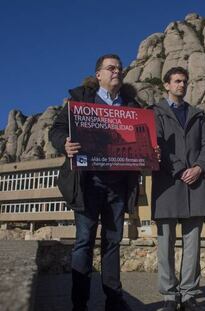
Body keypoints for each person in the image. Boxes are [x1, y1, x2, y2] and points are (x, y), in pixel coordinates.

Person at [49, 54, 140, 311]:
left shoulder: (132, 106)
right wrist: (64, 143)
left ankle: (114, 300)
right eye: (111, 68)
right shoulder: (80, 100)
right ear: (98, 74)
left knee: (112, 243)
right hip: (88, 182)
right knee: (84, 242)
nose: (117, 72)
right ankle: (80, 304)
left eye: (120, 69)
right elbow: (55, 130)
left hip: (119, 185)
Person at [151, 67, 205, 311]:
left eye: (184, 81)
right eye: (177, 81)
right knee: (165, 244)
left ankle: (188, 294)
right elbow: (157, 145)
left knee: (193, 244)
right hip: (167, 185)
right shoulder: (155, 112)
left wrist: (199, 167)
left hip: (195, 185)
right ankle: (169, 295)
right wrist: (179, 169)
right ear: (166, 85)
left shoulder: (197, 114)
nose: (181, 85)